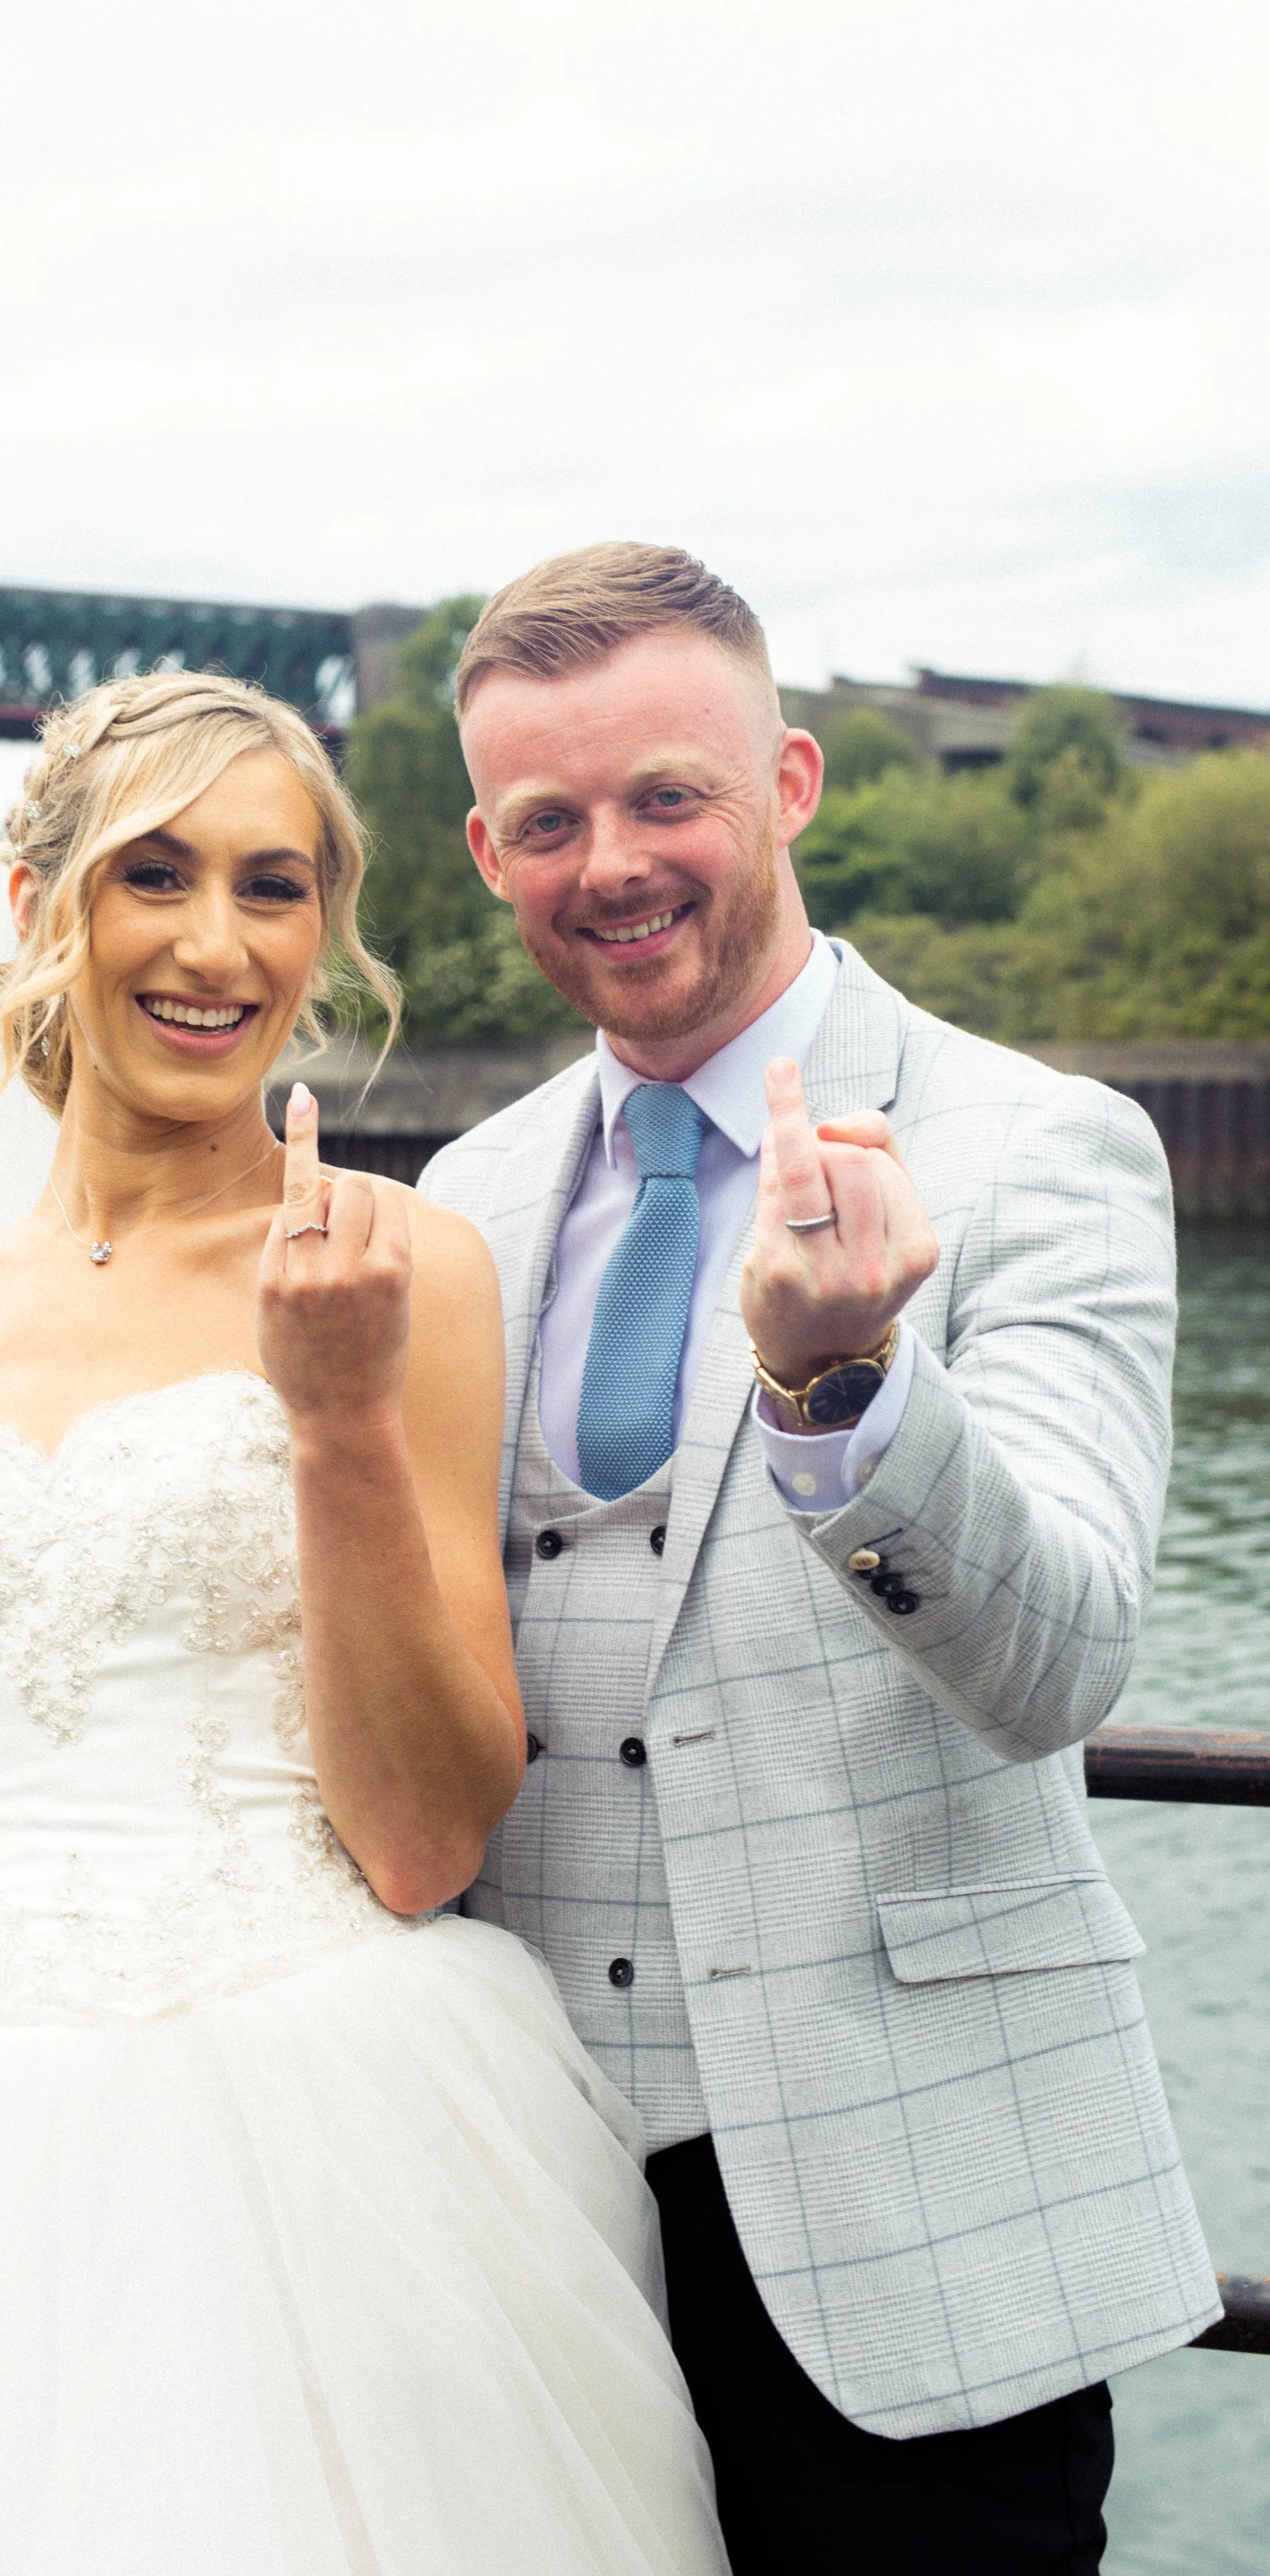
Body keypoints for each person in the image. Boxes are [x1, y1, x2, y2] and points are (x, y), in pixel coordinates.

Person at [0, 673, 729, 2575]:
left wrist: (342, 1416)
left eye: (273, 885)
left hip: (341, 2140)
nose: (216, 944)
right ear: (39, 909)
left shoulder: (401, 1267)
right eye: (157, 875)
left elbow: (428, 1838)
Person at [418, 542, 1221, 2576]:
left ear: (784, 784)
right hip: (531, 2228)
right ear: (486, 848)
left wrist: (842, 1386)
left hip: (918, 2235)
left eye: (665, 795)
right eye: (548, 820)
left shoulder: (1041, 1144)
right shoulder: (461, 1193)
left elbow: (1060, 1656)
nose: (611, 861)